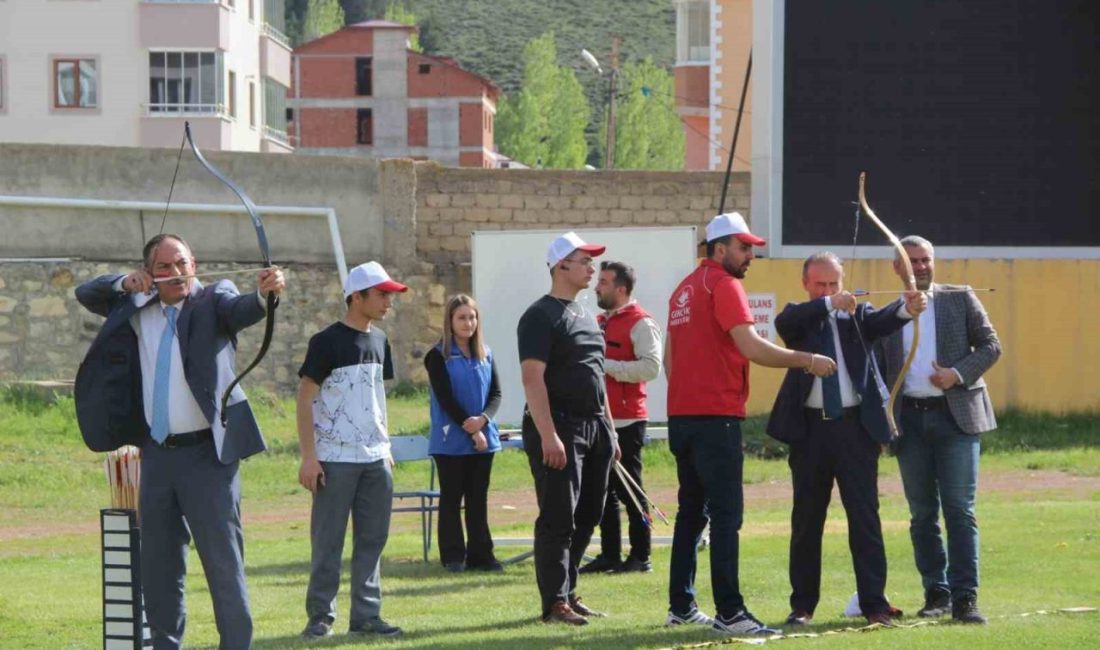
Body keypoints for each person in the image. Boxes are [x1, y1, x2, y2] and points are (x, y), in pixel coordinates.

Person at [74, 233, 285, 650]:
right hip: (156, 455)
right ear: (148, 272)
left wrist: (265, 295)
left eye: (182, 263)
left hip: (208, 457)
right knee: (159, 565)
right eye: (164, 267)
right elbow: (87, 292)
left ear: (195, 264)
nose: (175, 273)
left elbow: (242, 308)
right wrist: (124, 283)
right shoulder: (136, 305)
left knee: (223, 563)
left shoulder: (213, 299)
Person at [663, 213, 837, 637]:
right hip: (715, 418)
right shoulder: (724, 285)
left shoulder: (684, 288)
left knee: (691, 513)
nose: (750, 256)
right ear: (720, 248)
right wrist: (807, 360)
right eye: (743, 248)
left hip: (683, 417)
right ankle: (730, 613)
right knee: (726, 516)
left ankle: (682, 606)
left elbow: (669, 359)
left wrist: (690, 396)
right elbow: (752, 347)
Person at [766, 252, 926, 627]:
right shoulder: (799, 317)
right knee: (807, 520)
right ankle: (802, 606)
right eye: (820, 285)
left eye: (834, 284)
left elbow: (885, 320)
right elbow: (785, 323)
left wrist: (908, 307)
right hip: (810, 431)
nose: (829, 290)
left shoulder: (859, 315)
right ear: (806, 284)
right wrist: (827, 303)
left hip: (855, 430)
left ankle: (874, 604)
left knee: (864, 517)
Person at [879, 235, 1001, 624]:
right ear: (896, 267)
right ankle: (937, 593)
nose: (920, 267)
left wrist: (956, 374)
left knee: (959, 510)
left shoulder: (959, 297)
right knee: (922, 513)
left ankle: (966, 598)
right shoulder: (889, 314)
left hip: (955, 417)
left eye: (925, 260)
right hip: (910, 422)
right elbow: (878, 372)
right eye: (911, 261)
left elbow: (991, 346)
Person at [296, 261, 407, 639]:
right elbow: (305, 398)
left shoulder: (380, 341)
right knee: (328, 542)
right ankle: (320, 617)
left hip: (376, 459)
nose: (388, 302)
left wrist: (385, 447)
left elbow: (376, 399)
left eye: (390, 295)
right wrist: (309, 457)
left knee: (372, 541)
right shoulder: (325, 342)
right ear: (356, 297)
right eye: (382, 295)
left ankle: (366, 616)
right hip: (334, 459)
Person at [518, 231, 622, 626]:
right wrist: (548, 435)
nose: (592, 268)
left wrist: (609, 431)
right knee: (558, 516)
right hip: (559, 425)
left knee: (589, 513)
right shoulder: (539, 315)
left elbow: (597, 377)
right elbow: (532, 379)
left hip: (594, 427)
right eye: (585, 261)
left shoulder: (587, 315)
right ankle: (554, 603)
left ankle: (568, 591)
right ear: (561, 266)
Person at [579, 261, 662, 575]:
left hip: (627, 420)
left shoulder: (642, 323)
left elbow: (651, 368)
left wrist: (608, 366)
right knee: (604, 492)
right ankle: (610, 554)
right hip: (600, 418)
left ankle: (641, 556)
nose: (596, 287)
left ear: (621, 289)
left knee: (631, 490)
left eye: (603, 282)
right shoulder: (599, 321)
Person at [424, 294, 504, 573]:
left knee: (477, 499)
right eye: (461, 317)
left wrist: (483, 420)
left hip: (484, 438)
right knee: (451, 497)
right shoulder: (437, 356)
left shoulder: (486, 353)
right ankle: (453, 556)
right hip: (450, 439)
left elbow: (495, 394)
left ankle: (482, 555)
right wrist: (470, 427)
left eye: (472, 317)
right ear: (450, 321)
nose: (468, 323)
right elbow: (445, 398)